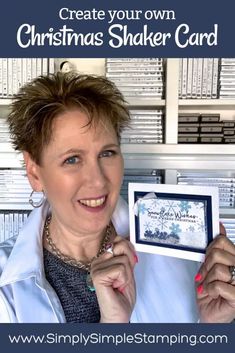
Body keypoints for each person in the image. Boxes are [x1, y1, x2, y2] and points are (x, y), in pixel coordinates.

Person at [0, 72, 234, 323]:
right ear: (35, 172)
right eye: (72, 159)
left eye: (107, 153)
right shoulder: (6, 284)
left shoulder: (178, 254)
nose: (98, 180)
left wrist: (215, 327)